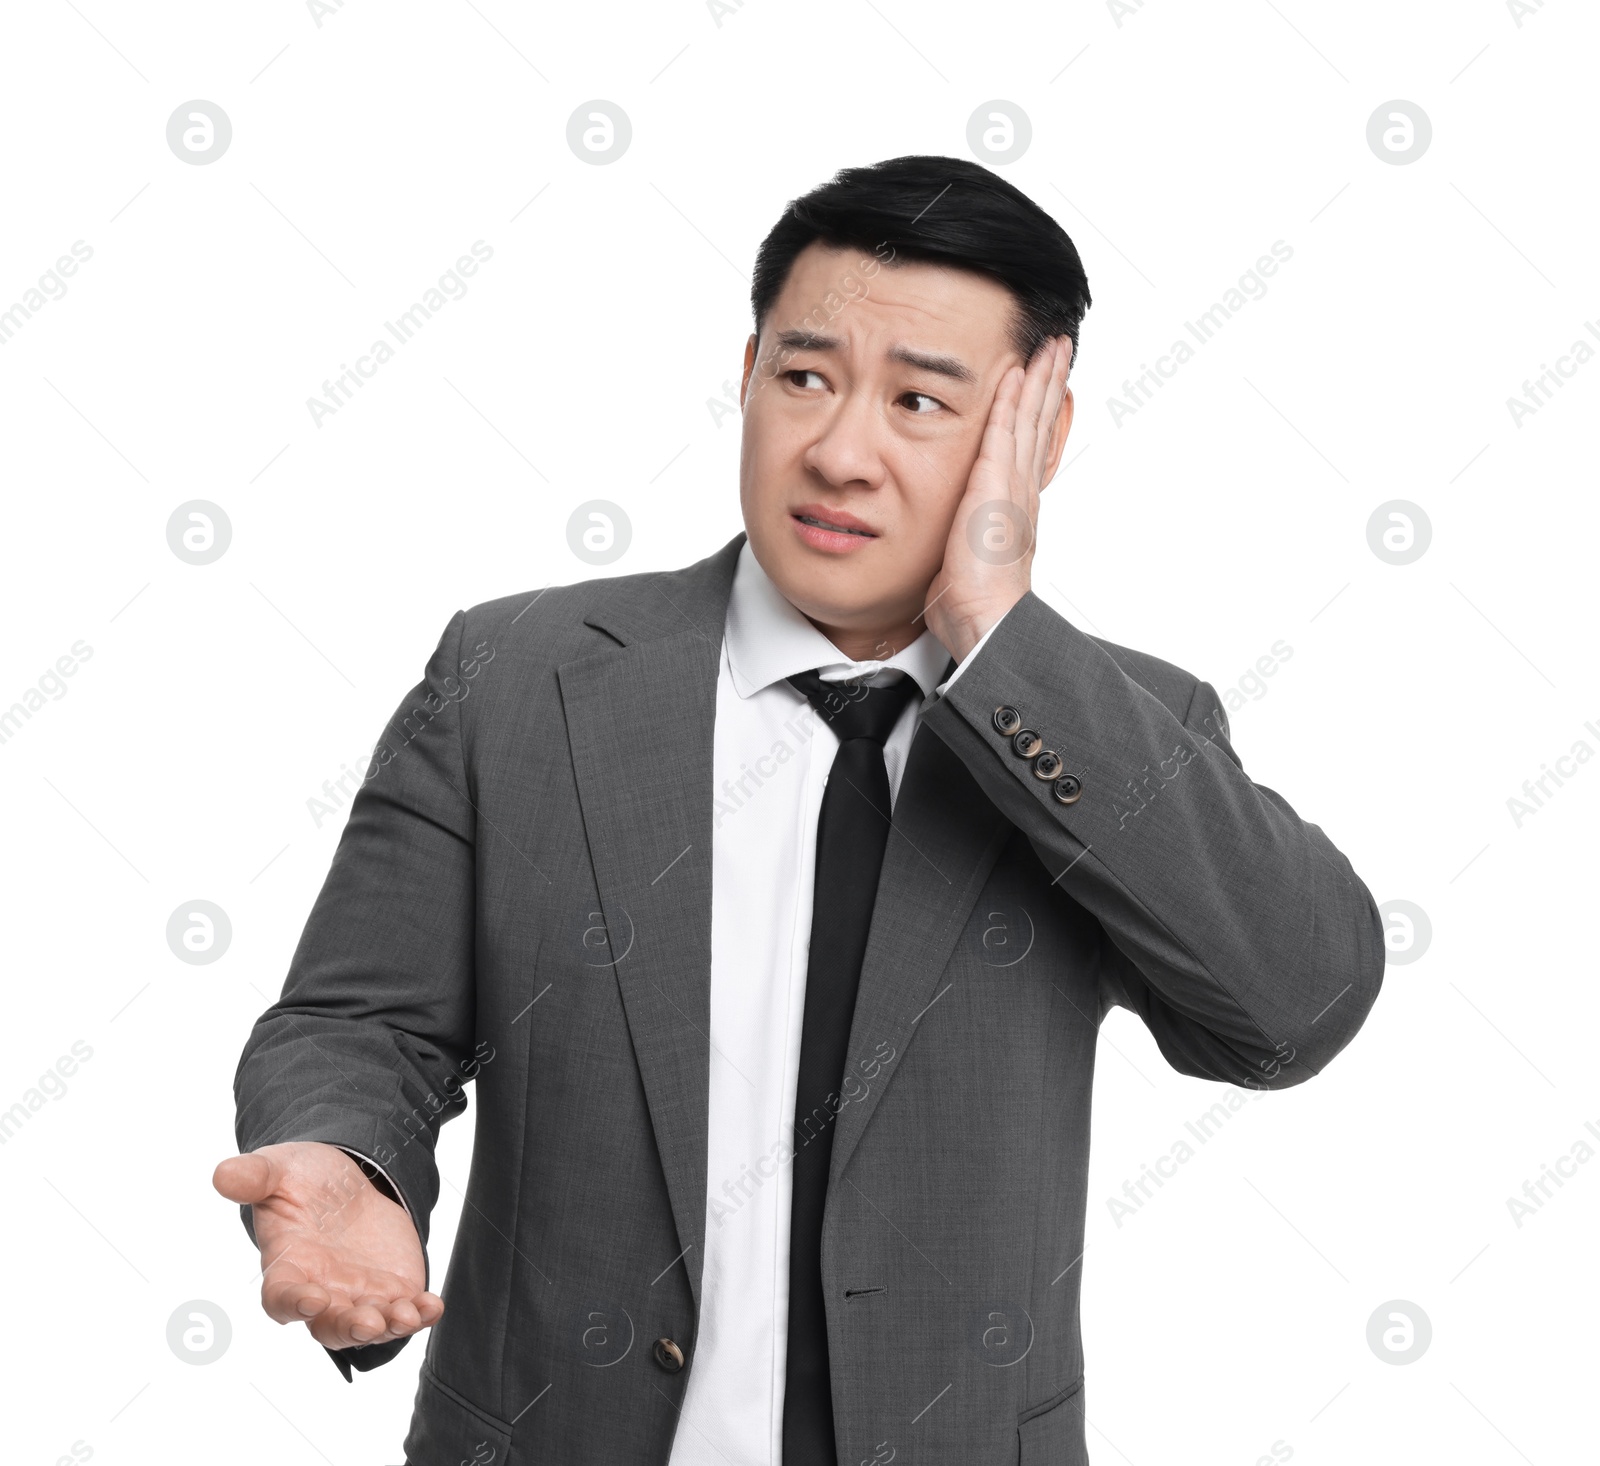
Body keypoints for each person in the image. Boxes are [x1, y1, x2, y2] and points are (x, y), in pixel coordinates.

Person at [215, 154, 1385, 1465]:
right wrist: (346, 1161)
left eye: (921, 400)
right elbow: (360, 1016)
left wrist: (999, 644)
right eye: (805, 376)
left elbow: (1295, 1004)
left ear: (1039, 437)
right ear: (748, 373)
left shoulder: (1107, 728)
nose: (839, 451)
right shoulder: (515, 679)